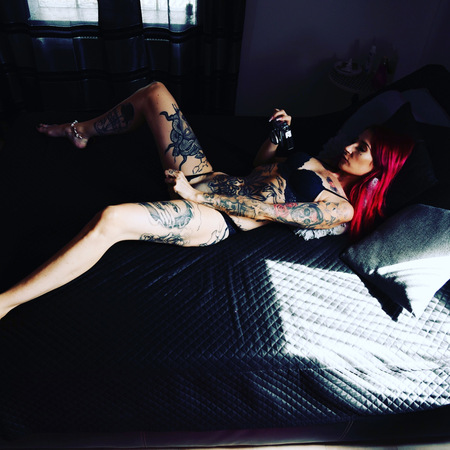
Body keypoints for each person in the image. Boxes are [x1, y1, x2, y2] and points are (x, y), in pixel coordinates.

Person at [0, 82, 414, 320]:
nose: (350, 147)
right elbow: (261, 168)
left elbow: (272, 210)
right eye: (357, 140)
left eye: (363, 149)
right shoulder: (318, 162)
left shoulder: (340, 208)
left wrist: (197, 196)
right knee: (155, 93)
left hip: (214, 217)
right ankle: (80, 131)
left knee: (111, 219)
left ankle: (6, 302)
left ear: (378, 169)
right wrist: (275, 137)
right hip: (208, 177)